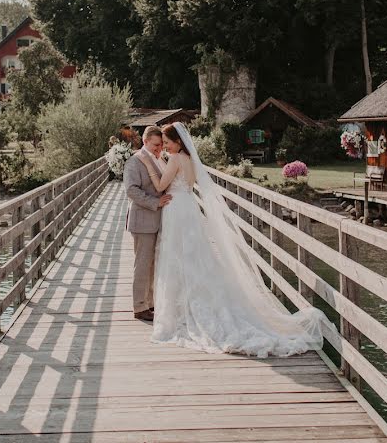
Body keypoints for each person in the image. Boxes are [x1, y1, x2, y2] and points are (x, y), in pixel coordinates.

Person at [136, 122, 323, 357]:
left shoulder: (174, 159)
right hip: (189, 208)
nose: (164, 147)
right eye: (162, 144)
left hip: (175, 209)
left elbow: (162, 186)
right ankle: (190, 304)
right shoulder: (190, 159)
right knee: (194, 257)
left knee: (176, 256)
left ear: (178, 142)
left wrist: (148, 164)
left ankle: (180, 310)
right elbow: (187, 183)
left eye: (167, 143)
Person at [122, 126, 172, 321]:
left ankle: (150, 302)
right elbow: (131, 190)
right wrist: (155, 202)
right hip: (143, 220)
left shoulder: (159, 158)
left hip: (158, 220)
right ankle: (139, 306)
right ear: (145, 142)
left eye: (161, 145)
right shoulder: (134, 162)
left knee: (153, 264)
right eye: (156, 145)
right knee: (142, 265)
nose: (159, 149)